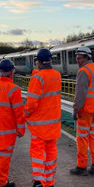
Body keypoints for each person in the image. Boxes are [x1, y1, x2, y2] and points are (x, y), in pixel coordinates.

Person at [24, 49, 61, 187]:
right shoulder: (57, 75)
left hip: (39, 125)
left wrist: (25, 113)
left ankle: (39, 180)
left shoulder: (37, 78)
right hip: (54, 124)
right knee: (51, 152)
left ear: (38, 62)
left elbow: (32, 103)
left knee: (38, 152)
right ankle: (49, 182)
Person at [70, 46, 94, 176]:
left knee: (82, 138)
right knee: (93, 136)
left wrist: (76, 109)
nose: (77, 61)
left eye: (79, 58)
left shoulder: (83, 71)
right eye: (77, 58)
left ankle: (81, 166)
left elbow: (80, 93)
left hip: (86, 110)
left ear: (86, 57)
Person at [0, 59, 25, 187]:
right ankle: (2, 182)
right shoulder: (14, 89)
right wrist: (21, 130)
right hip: (6, 131)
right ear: (12, 72)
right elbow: (19, 113)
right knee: (4, 157)